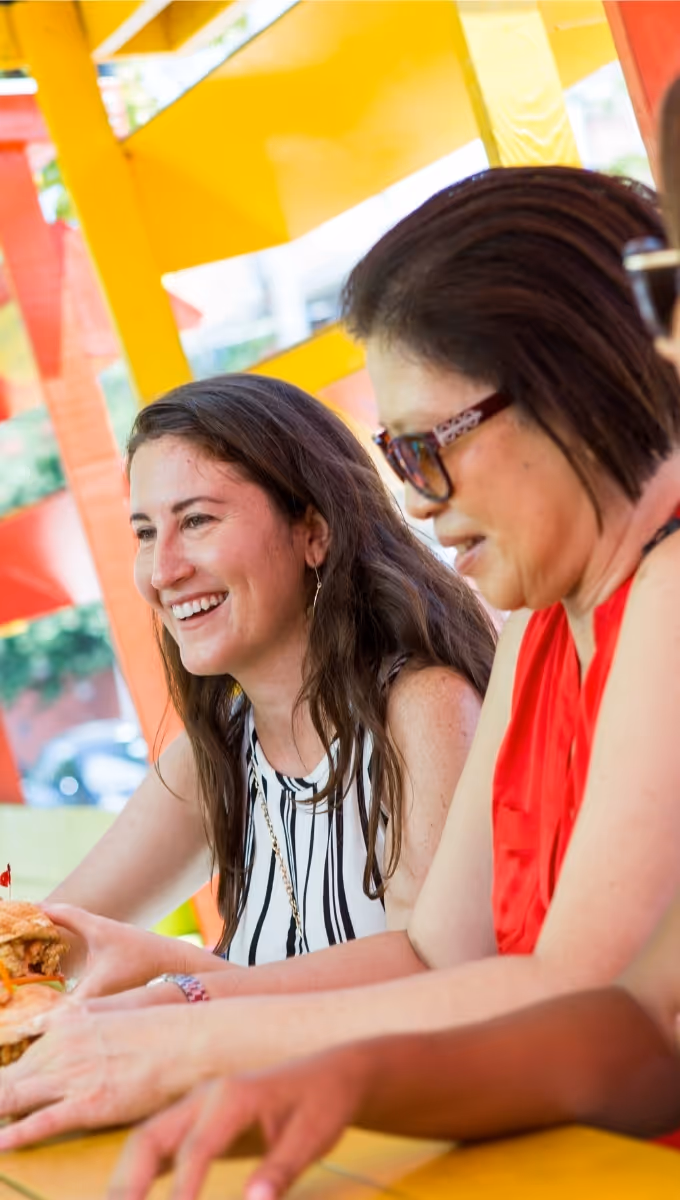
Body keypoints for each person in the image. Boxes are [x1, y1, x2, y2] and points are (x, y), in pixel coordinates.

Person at [2, 163, 680, 1153]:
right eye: (397, 460)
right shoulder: (544, 624)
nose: (413, 496)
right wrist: (157, 1016)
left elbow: (582, 1005)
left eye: (423, 448)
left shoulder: (657, 595)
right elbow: (430, 952)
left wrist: (193, 1043)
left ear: (563, 387)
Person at [42, 373, 494, 986]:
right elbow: (49, 942)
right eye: (146, 533)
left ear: (313, 530)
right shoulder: (218, 754)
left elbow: (435, 984)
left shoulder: (423, 708)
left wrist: (187, 979)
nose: (163, 570)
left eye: (196, 521)